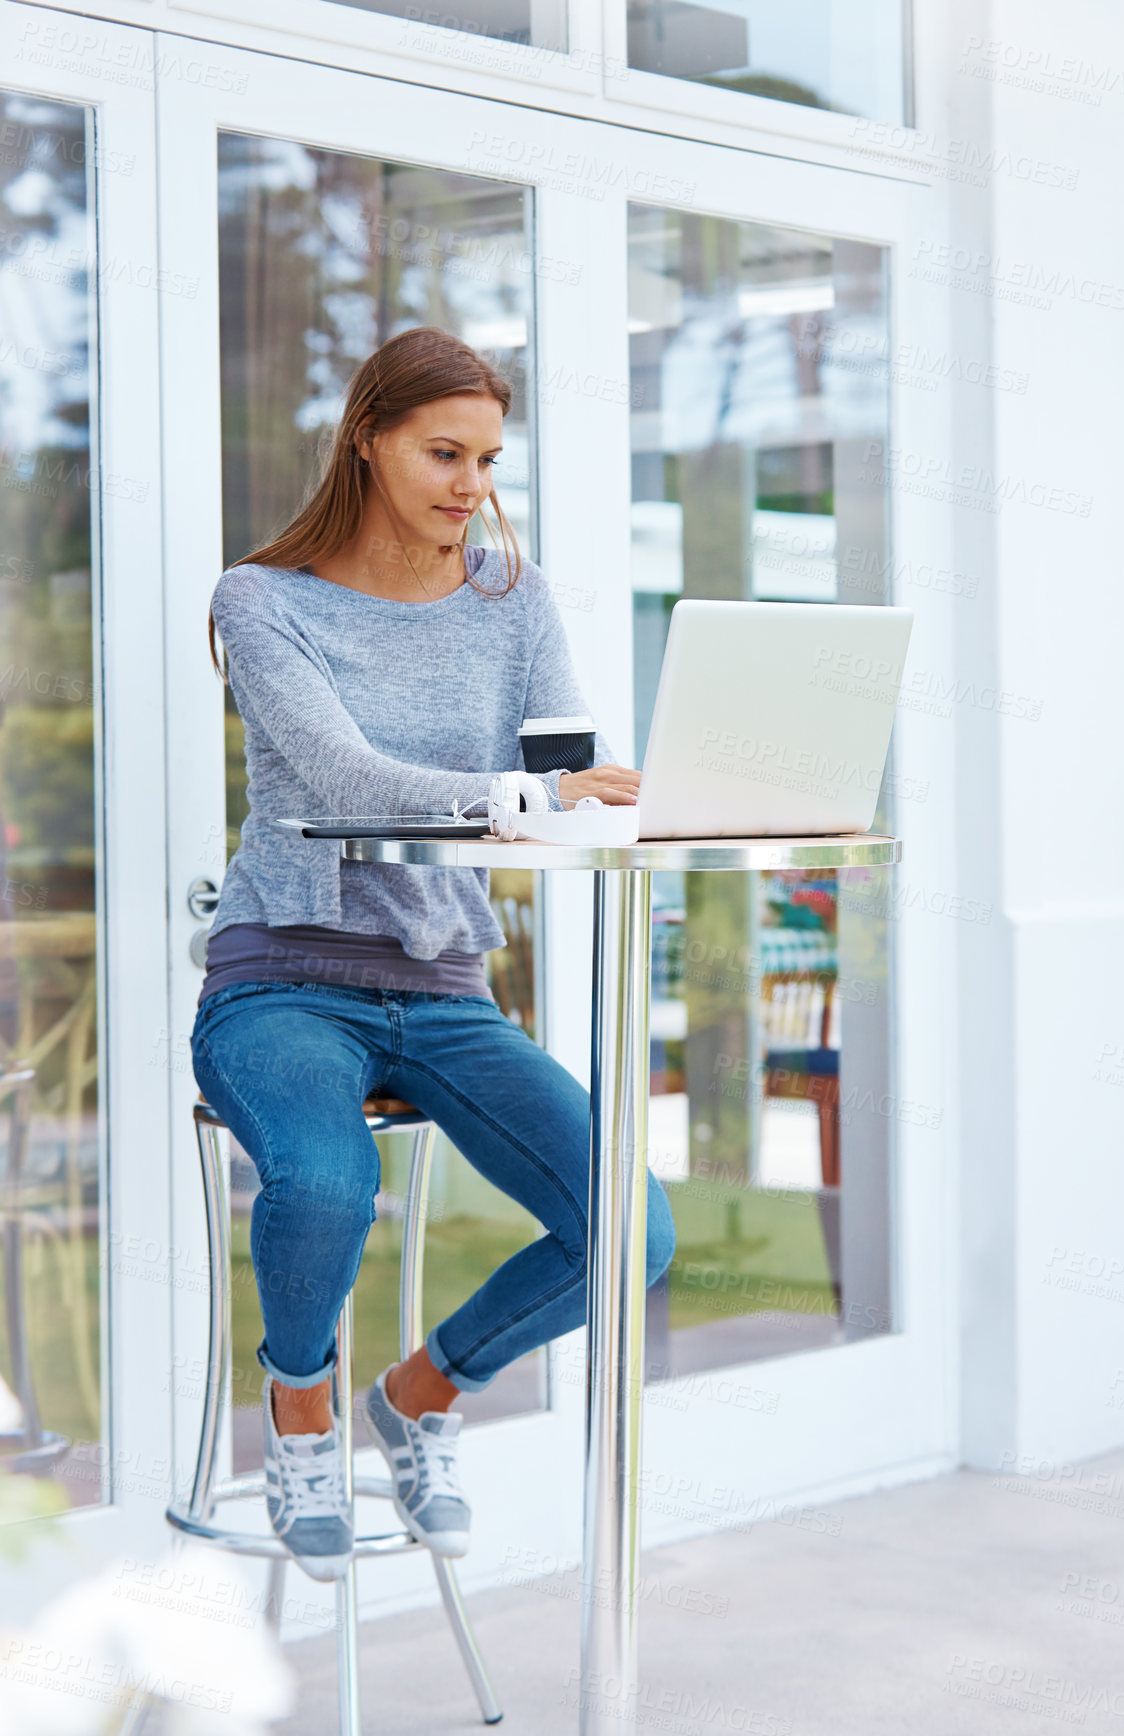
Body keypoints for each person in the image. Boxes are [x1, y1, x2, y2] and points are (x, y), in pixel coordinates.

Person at [190, 325, 676, 1583]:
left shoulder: (512, 599)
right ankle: (300, 1409)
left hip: (447, 986)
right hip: (284, 974)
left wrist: (617, 791)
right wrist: (532, 796)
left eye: (487, 458)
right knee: (325, 1179)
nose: (472, 484)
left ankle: (416, 1393)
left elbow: (562, 772)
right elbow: (347, 775)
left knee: (633, 1228)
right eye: (444, 452)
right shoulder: (262, 600)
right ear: (369, 438)